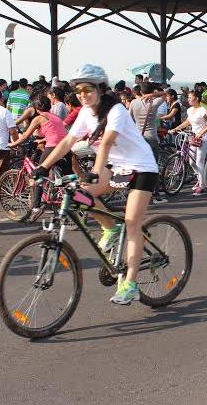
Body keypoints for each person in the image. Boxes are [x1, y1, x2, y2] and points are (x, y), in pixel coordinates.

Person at [30, 64, 160, 306]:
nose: (82, 94)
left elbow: (108, 142)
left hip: (141, 167)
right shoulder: (85, 113)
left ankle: (130, 284)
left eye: (87, 89)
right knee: (79, 195)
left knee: (132, 224)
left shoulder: (116, 111)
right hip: (116, 166)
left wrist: (95, 171)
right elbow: (68, 141)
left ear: (101, 88)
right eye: (78, 90)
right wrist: (43, 167)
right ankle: (110, 228)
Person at [9, 93, 73, 176]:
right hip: (66, 145)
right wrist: (42, 140)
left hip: (54, 146)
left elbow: (25, 136)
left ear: (36, 108)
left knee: (39, 175)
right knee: (68, 176)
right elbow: (56, 133)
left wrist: (14, 144)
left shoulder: (39, 118)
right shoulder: (55, 116)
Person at [129, 82, 168, 203]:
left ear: (140, 92)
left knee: (140, 166)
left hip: (138, 139)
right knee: (153, 166)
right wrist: (154, 94)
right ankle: (155, 194)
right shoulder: (154, 102)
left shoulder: (133, 103)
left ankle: (138, 191)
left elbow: (129, 118)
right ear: (152, 91)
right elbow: (166, 94)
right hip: (151, 138)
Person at [169, 89, 207, 195]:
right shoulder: (190, 110)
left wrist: (201, 133)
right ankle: (200, 178)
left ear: (196, 98)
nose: (188, 99)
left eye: (190, 97)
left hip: (204, 138)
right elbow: (187, 122)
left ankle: (202, 185)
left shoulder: (203, 110)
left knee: (199, 162)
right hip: (193, 139)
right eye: (187, 97)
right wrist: (176, 129)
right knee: (192, 162)